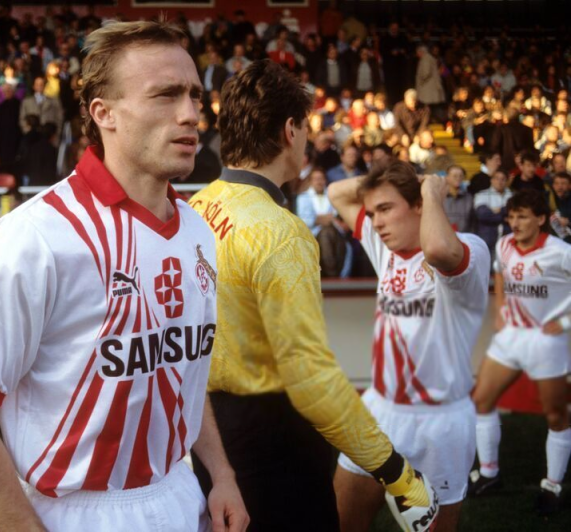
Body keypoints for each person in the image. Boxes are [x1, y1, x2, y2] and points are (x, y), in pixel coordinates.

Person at [0, 21, 248, 532]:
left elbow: (179, 371)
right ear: (104, 113)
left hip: (180, 490)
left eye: (195, 95)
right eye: (166, 95)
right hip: (75, 511)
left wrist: (222, 474)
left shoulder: (196, 229)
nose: (192, 113)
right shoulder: (37, 233)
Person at [189, 59, 438, 532]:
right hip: (273, 440)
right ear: (290, 130)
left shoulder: (197, 206)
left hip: (208, 431)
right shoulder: (280, 232)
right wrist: (395, 471)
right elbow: (310, 378)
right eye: (306, 128)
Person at [329, 161, 491, 531]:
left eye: (386, 209)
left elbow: (438, 249)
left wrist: (430, 189)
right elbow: (337, 193)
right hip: (379, 411)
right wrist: (405, 182)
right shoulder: (385, 247)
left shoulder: (470, 247)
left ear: (419, 204)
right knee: (342, 522)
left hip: (440, 424)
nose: (376, 222)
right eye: (372, 213)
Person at [468, 190, 571, 516]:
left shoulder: (561, 253)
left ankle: (553, 486)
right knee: (481, 399)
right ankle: (489, 474)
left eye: (522, 216)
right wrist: (500, 308)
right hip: (510, 337)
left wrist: (565, 321)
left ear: (541, 219)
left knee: (556, 415)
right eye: (511, 216)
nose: (515, 222)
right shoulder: (503, 244)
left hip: (546, 341)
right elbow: (500, 272)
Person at [474, 169, 512, 257]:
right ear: (491, 180)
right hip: (488, 239)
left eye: (503, 179)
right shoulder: (482, 194)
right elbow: (483, 215)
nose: (500, 182)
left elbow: (513, 213)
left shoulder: (512, 195)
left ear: (506, 181)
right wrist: (504, 216)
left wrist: (497, 210)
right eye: (497, 178)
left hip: (507, 239)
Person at [443, 165, 474, 233]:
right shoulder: (441, 196)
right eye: (455, 176)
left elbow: (472, 220)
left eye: (461, 176)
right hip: (444, 235)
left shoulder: (468, 197)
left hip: (464, 236)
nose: (458, 178)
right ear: (447, 177)